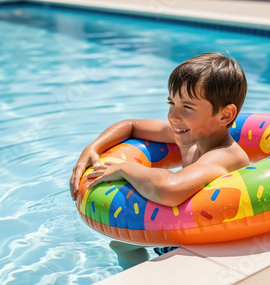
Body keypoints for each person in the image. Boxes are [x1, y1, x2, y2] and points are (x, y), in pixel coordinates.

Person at [69, 52, 249, 268]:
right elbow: (131, 126)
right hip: (181, 232)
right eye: (171, 103)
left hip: (209, 244)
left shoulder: (225, 155)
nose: (173, 116)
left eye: (188, 107)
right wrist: (92, 148)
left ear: (225, 115)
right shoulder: (191, 137)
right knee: (122, 244)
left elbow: (170, 189)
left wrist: (126, 168)